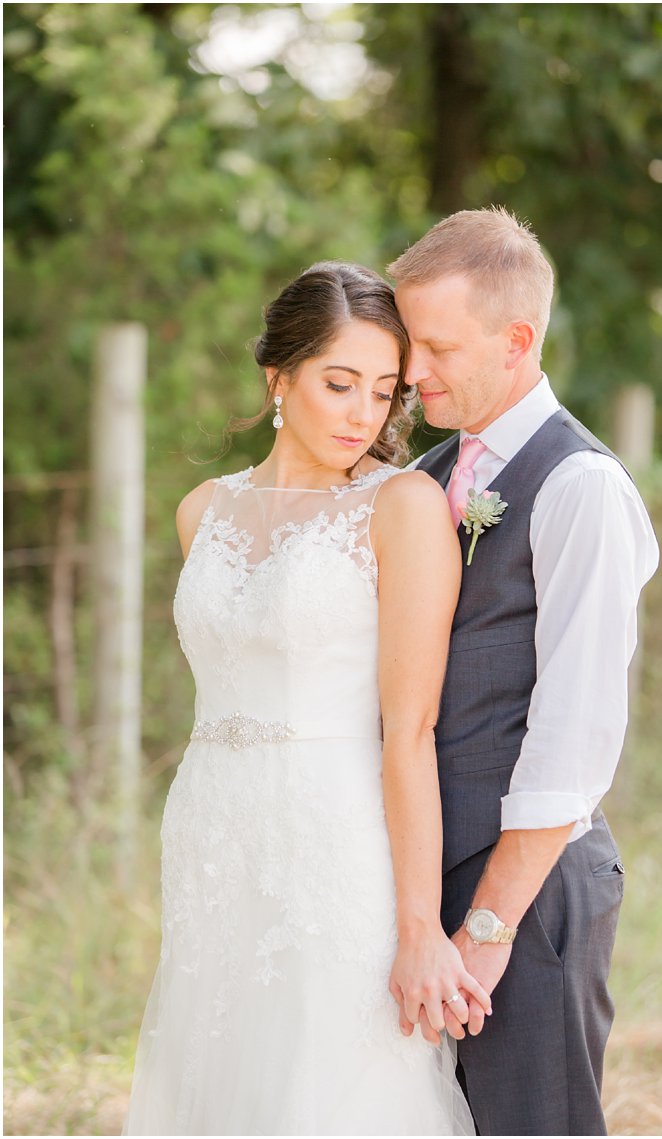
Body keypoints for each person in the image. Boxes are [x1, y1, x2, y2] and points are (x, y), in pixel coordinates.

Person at [126, 262, 481, 1134]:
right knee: (220, 1067)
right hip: (211, 831)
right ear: (279, 376)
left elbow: (411, 729)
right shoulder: (200, 510)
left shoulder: (401, 505)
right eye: (339, 383)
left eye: (384, 392)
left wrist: (420, 926)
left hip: (337, 839)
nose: (363, 413)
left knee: (330, 1082)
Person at [388, 207, 658, 1136]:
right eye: (406, 341)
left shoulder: (580, 486)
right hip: (427, 881)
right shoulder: (424, 478)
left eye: (435, 346)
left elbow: (575, 733)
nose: (411, 371)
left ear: (516, 340)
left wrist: (489, 929)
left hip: (527, 898)